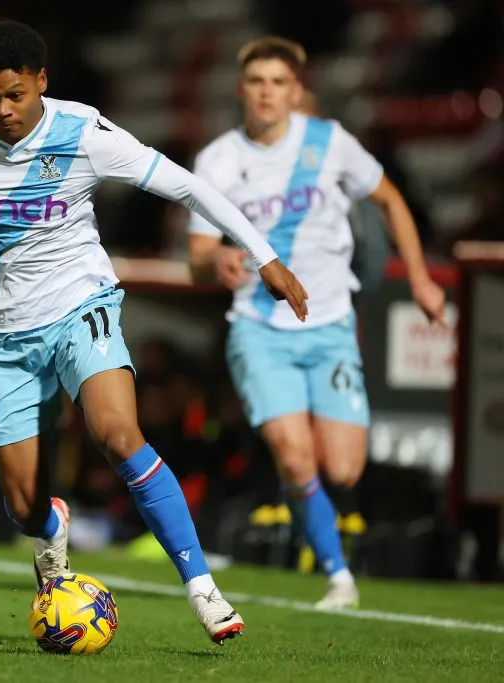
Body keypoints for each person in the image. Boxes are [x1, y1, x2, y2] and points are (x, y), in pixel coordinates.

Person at [0, 19, 310, 645]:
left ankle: (203, 588)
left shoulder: (84, 131)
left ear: (41, 83)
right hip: (3, 336)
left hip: (82, 305)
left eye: (14, 95)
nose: (1, 110)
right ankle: (50, 528)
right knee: (23, 503)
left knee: (117, 434)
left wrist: (264, 255)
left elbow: (186, 186)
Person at [186, 36, 445, 610]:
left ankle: (303, 497)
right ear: (241, 90)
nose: (267, 93)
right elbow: (198, 256)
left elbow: (391, 200)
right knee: (296, 456)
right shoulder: (219, 160)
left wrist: (422, 278)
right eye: (257, 82)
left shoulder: (330, 144)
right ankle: (338, 576)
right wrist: (217, 260)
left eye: (278, 83)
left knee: (346, 469)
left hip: (329, 326)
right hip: (259, 328)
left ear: (296, 90)